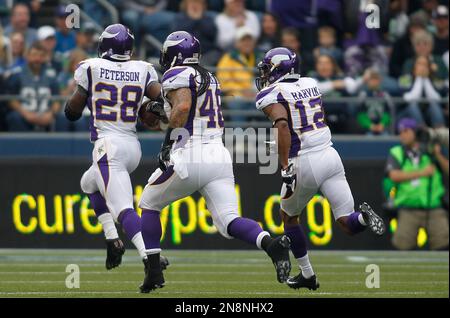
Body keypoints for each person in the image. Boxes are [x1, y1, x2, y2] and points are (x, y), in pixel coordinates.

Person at [138, 31, 291, 293]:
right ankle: (270, 244)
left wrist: (168, 143)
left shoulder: (177, 75)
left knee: (149, 203)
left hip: (190, 153)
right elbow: (181, 110)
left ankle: (153, 272)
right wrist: (160, 111)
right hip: (218, 154)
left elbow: (183, 108)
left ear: (174, 53)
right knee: (228, 221)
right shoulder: (210, 77)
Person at [254, 47, 386, 290]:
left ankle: (308, 274)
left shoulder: (273, 93)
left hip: (304, 161)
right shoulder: (310, 82)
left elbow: (282, 125)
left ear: (278, 69)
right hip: (330, 155)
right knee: (348, 222)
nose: (264, 73)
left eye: (267, 68)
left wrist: (284, 166)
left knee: (289, 217)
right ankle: (364, 218)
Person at [63, 24, 166, 271]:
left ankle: (149, 257)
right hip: (132, 147)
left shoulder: (91, 67)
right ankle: (112, 239)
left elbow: (71, 113)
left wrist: (83, 95)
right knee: (88, 183)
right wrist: (151, 111)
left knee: (123, 209)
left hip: (108, 147)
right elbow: (162, 98)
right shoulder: (143, 69)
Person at [386, 118, 449, 250]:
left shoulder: (431, 150)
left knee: (442, 244)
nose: (402, 135)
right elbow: (394, 175)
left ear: (415, 133)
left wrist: (437, 154)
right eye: (400, 132)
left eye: (406, 131)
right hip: (408, 208)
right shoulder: (397, 152)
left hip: (434, 207)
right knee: (402, 245)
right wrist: (422, 173)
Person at [5, 42, 60, 131]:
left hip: (46, 114)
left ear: (45, 57)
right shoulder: (17, 74)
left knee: (62, 118)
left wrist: (52, 113)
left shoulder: (51, 75)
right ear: (27, 56)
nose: (37, 59)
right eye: (34, 55)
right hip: (24, 115)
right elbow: (11, 99)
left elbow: (57, 99)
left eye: (41, 56)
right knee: (14, 117)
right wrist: (26, 113)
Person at [216, 27, 263, 122]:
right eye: (243, 40)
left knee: (265, 104)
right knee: (238, 104)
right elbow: (224, 82)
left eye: (249, 40)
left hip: (254, 94)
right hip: (233, 95)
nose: (247, 43)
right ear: (237, 43)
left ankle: (264, 136)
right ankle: (239, 135)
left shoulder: (259, 57)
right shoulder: (228, 58)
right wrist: (242, 91)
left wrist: (255, 91)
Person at [400, 55, 446, 128]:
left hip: (428, 112)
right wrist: (419, 78)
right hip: (408, 112)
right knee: (413, 105)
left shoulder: (435, 78)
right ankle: (422, 131)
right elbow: (408, 99)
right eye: (419, 64)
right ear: (414, 66)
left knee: (434, 104)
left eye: (425, 64)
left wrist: (425, 79)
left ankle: (440, 131)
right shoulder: (405, 78)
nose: (422, 67)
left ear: (429, 67)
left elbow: (437, 99)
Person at [172, 0, 220, 65]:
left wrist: (199, 19)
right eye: (192, 2)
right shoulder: (179, 18)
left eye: (199, 3)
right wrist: (193, 19)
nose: (195, 5)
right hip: (184, 52)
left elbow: (212, 34)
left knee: (215, 54)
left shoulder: (208, 19)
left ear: (203, 5)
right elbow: (177, 33)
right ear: (186, 4)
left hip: (205, 53)